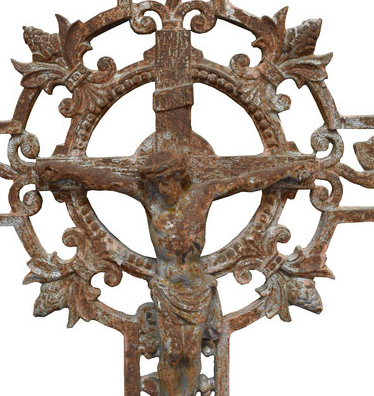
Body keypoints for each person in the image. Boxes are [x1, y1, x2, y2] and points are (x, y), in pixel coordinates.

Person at [38, 151, 314, 396]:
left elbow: (247, 181)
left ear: (179, 177)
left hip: (195, 286)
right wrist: (62, 171)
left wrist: (288, 171)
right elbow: (103, 179)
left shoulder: (203, 193)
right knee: (171, 354)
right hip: (166, 286)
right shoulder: (149, 196)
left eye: (168, 181)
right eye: (158, 183)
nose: (164, 189)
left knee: (191, 354)